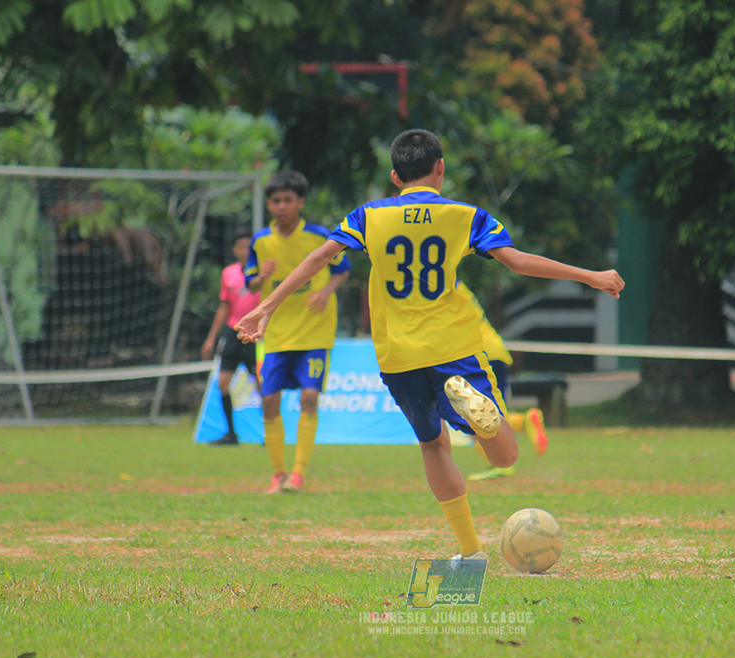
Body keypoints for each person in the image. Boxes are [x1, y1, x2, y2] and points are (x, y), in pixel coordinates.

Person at [237, 130, 624, 561]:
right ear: (440, 167)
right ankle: (480, 413)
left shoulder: (368, 216)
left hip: (397, 355)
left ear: (395, 176)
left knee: (431, 445)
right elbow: (518, 262)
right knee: (503, 455)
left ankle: (470, 547)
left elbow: (318, 259)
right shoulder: (465, 215)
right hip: (452, 346)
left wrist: (266, 307)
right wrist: (591, 276)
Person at [245, 171, 351, 494]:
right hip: (276, 334)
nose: (282, 206)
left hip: (314, 332)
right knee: (269, 400)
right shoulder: (260, 241)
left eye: (288, 200)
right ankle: (278, 474)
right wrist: (260, 278)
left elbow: (343, 270)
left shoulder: (320, 236)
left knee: (309, 397)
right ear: (268, 204)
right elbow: (250, 283)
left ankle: (298, 474)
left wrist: (326, 290)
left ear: (300, 203)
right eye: (276, 201)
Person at [452, 280, 548, 481]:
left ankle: (504, 455)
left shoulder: (440, 284)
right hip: (489, 351)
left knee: (470, 414)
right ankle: (521, 425)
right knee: (480, 413)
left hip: (476, 354)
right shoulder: (451, 282)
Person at [201, 230, 261, 446]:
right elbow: (224, 307)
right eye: (241, 247)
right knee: (223, 383)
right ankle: (231, 434)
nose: (245, 251)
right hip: (233, 334)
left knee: (263, 384)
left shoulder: (262, 273)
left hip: (255, 335)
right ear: (234, 250)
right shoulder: (229, 273)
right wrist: (211, 339)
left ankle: (270, 435)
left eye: (249, 247)